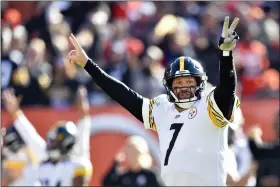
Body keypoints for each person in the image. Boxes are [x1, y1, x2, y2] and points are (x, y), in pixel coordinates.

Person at [68, 16, 241, 186]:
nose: (183, 87)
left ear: (199, 84)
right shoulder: (162, 108)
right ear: (169, 86)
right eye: (178, 82)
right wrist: (88, 64)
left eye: (189, 81)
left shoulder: (209, 105)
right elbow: (123, 95)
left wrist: (226, 55)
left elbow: (227, 88)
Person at [2, 87, 93, 186]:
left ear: (66, 143)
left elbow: (83, 135)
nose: (50, 144)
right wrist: (16, 113)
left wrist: (84, 114)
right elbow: (31, 137)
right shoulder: (45, 159)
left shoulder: (77, 163)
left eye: (54, 141)